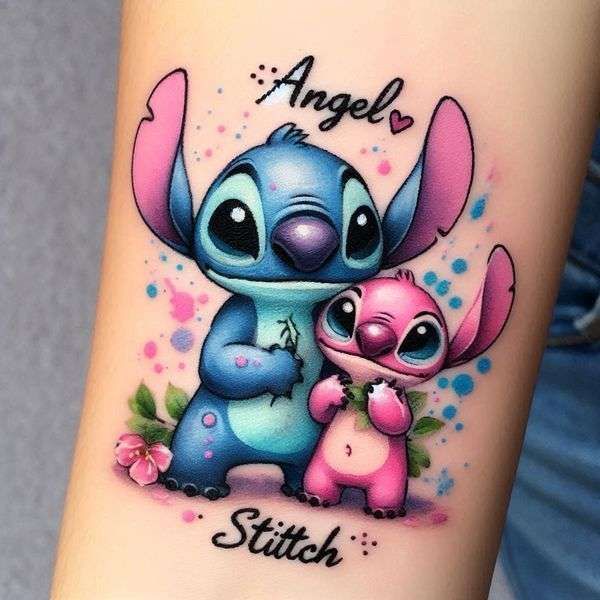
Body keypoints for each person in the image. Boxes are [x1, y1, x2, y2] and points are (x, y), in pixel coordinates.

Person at [50, 2, 600, 598]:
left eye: (355, 227)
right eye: (238, 222)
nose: (307, 243)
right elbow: (216, 364)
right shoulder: (245, 314)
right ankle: (202, 465)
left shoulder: (339, 318)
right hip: (224, 424)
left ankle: (302, 474)